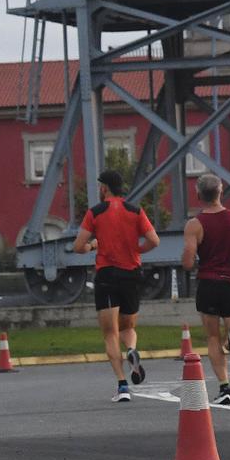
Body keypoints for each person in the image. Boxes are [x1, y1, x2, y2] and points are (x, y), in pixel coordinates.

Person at [72, 168, 160, 403]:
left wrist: (93, 245)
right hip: (131, 273)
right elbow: (154, 240)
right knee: (128, 327)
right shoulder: (135, 210)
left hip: (107, 275)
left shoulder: (96, 212)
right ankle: (131, 349)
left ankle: (122, 386)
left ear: (104, 188)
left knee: (110, 332)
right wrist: (137, 250)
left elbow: (78, 246)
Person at [181, 175, 230, 405]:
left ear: (198, 195)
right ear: (221, 192)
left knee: (212, 337)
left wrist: (199, 262)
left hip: (208, 282)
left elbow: (187, 262)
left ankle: (225, 388)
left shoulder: (194, 224)